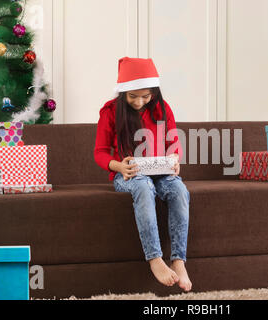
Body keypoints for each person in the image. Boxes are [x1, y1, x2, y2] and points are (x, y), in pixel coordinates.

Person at [94, 57, 192, 292]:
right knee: (143, 187)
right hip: (130, 175)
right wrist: (119, 166)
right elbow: (99, 152)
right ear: (123, 93)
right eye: (133, 96)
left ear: (154, 92)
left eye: (145, 96)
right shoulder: (110, 112)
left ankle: (178, 261)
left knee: (179, 190)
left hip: (161, 172)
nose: (139, 102)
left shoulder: (163, 108)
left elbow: (173, 142)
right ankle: (155, 259)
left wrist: (174, 158)